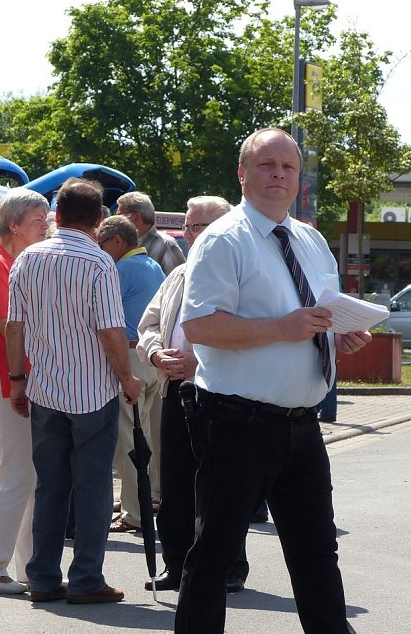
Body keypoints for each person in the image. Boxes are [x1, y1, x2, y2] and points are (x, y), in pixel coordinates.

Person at [174, 127, 370, 634]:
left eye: (288, 166)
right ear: (242, 174)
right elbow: (199, 327)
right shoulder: (222, 240)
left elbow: (321, 312)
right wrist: (282, 328)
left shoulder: (309, 239)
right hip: (236, 422)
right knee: (215, 555)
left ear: (298, 178)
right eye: (266, 164)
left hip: (301, 427)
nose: (278, 174)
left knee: (316, 553)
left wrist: (339, 336)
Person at [6, 177, 141, 605]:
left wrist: (17, 380)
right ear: (100, 219)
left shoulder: (27, 259)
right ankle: (86, 580)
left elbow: (14, 326)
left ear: (56, 215)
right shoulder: (99, 263)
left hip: (45, 389)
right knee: (94, 487)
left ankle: (42, 577)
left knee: (50, 486)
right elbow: (110, 332)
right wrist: (127, 377)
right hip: (93, 394)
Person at [137, 196, 250, 593]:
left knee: (222, 485)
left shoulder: (240, 275)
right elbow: (148, 323)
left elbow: (249, 338)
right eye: (187, 226)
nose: (189, 234)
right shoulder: (178, 275)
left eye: (198, 226)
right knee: (175, 485)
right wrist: (155, 352)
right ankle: (177, 563)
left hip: (223, 393)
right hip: (175, 392)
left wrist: (198, 365)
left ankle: (230, 566)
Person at [0, 187, 49, 595]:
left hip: (18, 380)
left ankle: (28, 569)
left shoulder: (13, 262)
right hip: (9, 382)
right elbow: (9, 327)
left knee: (27, 479)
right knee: (18, 477)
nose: (47, 227)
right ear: (13, 225)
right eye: (39, 221)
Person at [96, 215, 165, 533]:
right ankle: (140, 500)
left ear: (118, 242)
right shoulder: (153, 266)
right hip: (150, 360)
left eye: (102, 243)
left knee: (126, 439)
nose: (100, 249)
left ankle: (135, 513)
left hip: (130, 359)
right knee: (144, 436)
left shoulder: (118, 269)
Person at [116, 191, 185, 275]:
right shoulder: (122, 244)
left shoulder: (166, 245)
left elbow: (178, 282)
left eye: (119, 216)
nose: (116, 221)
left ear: (136, 217)